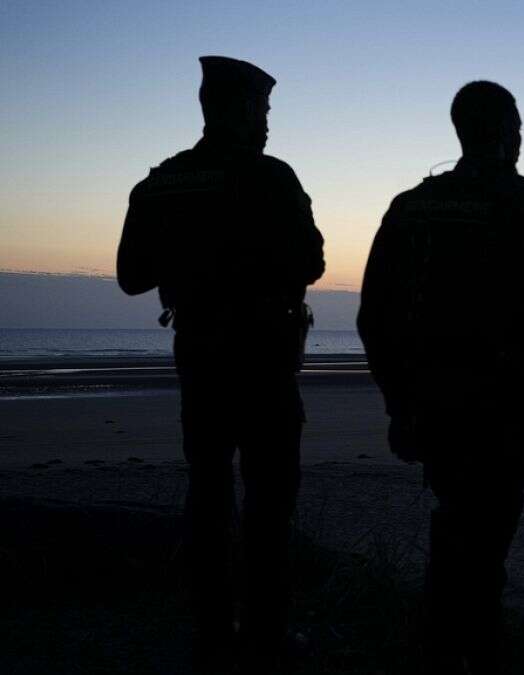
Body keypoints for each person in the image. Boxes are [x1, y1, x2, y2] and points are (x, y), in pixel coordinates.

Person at [357, 80, 524, 673]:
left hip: (433, 405)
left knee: (456, 527)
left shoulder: (412, 207)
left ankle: (445, 647)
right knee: (484, 543)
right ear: (508, 133)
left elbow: (373, 318)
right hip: (499, 408)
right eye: (517, 127)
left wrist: (397, 404)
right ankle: (468, 652)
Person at [116, 56, 325, 671]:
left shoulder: (162, 182)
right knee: (268, 498)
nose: (266, 123)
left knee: (207, 494)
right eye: (262, 110)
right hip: (262, 360)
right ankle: (264, 634)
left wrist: (190, 261)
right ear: (239, 109)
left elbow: (132, 276)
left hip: (201, 357)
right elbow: (311, 262)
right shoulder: (271, 178)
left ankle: (211, 633)